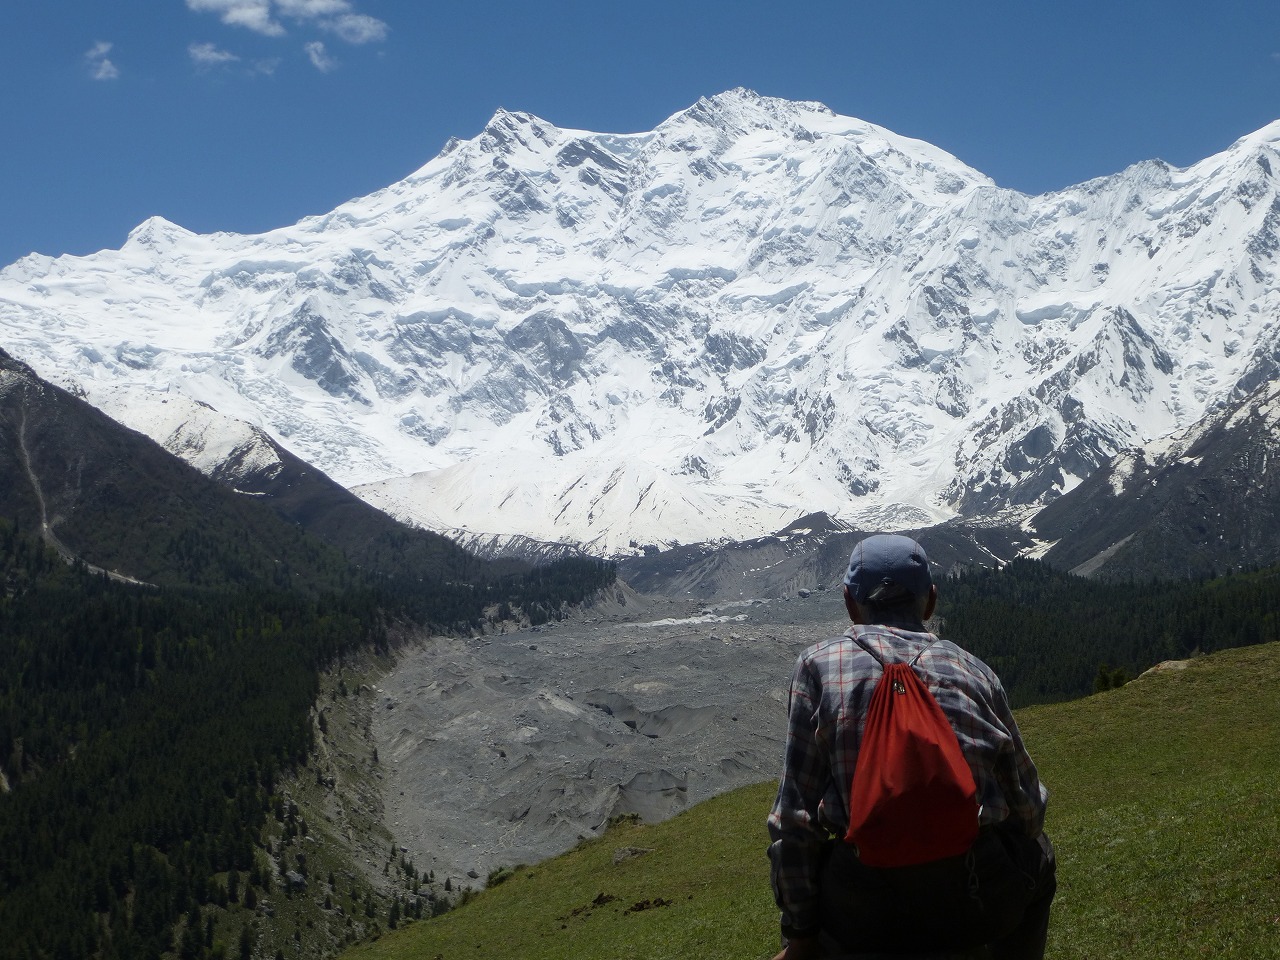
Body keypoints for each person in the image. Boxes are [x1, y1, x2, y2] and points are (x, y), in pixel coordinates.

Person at [767, 534, 1056, 960]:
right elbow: (1028, 807)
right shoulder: (973, 670)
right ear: (930, 601)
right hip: (973, 895)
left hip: (863, 906)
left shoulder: (816, 666)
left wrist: (801, 933)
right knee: (1040, 857)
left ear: (850, 603)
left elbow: (794, 820)